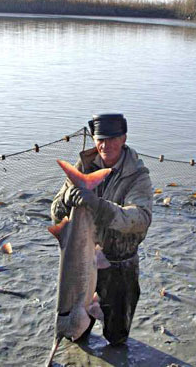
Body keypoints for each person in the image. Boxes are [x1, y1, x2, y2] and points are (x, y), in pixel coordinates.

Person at [51, 113, 153, 346]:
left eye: (112, 139)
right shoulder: (84, 168)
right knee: (76, 334)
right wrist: (66, 200)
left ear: (123, 138)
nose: (105, 145)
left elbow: (141, 218)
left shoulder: (137, 176)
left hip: (120, 265)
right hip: (83, 258)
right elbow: (55, 213)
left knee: (117, 338)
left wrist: (98, 206)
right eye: (100, 139)